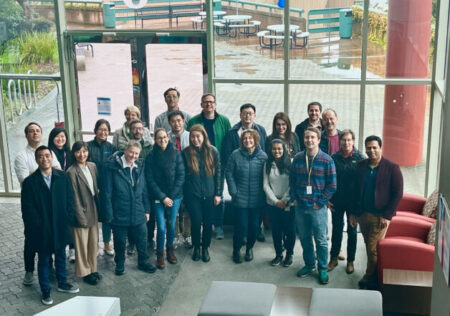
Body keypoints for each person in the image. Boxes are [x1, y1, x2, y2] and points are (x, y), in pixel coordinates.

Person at [21, 146, 79, 305]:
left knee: (61, 256)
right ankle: (45, 290)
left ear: (52, 158)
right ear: (36, 160)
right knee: (44, 260)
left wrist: (67, 218)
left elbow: (70, 199)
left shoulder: (63, 177)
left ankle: (62, 283)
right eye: (40, 156)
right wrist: (38, 226)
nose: (44, 159)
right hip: (42, 229)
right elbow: (27, 209)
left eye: (47, 155)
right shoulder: (29, 183)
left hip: (60, 225)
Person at [350, 135, 403, 290]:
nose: (371, 151)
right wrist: (353, 214)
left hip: (380, 216)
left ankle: (369, 279)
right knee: (369, 246)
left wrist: (387, 216)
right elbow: (355, 191)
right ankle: (376, 276)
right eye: (368, 148)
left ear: (380, 148)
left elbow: (397, 193)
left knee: (373, 249)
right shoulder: (361, 166)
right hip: (363, 214)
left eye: (374, 147)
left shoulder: (392, 168)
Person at [14, 122, 60, 286]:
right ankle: (28, 271)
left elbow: (58, 173)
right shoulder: (21, 156)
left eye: (38, 131)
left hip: (50, 204)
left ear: (41, 134)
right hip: (32, 204)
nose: (35, 134)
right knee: (32, 239)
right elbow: (25, 180)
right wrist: (44, 171)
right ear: (26, 135)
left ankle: (50, 267)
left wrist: (38, 172)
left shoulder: (49, 151)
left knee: (49, 237)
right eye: (31, 131)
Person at [102, 140, 157, 275]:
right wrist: (108, 214)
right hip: (119, 211)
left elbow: (144, 190)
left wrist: (147, 210)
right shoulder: (112, 167)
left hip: (138, 209)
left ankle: (143, 262)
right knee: (120, 241)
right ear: (125, 150)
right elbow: (106, 193)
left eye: (136, 153)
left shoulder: (139, 166)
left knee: (142, 238)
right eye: (131, 152)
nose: (133, 156)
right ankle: (120, 264)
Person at [290, 127, 336, 284]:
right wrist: (294, 198)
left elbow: (332, 186)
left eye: (312, 137)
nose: (309, 140)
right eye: (306, 137)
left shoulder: (327, 160)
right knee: (304, 238)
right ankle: (309, 264)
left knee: (321, 239)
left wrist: (320, 203)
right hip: (301, 207)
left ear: (318, 140)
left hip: (317, 208)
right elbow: (292, 181)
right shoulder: (297, 158)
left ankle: (323, 268)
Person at [187, 93, 231, 240]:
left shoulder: (224, 121)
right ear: (201, 104)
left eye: (211, 102)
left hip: (217, 162)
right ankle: (202, 228)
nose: (208, 105)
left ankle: (217, 225)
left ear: (215, 104)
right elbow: (190, 138)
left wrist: (225, 161)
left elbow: (228, 141)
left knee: (218, 197)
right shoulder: (194, 121)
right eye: (205, 102)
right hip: (196, 161)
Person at [222, 103, 267, 241]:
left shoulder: (261, 130)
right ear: (240, 115)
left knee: (255, 214)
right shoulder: (232, 133)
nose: (247, 116)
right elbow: (226, 156)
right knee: (241, 219)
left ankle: (256, 231)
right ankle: (240, 238)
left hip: (255, 180)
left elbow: (263, 153)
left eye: (250, 113)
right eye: (244, 113)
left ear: (254, 115)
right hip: (239, 180)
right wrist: (232, 188)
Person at [145, 129, 185, 269]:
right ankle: (160, 254)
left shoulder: (176, 154)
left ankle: (170, 250)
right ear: (155, 140)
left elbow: (181, 176)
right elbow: (149, 179)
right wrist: (163, 198)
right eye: (159, 138)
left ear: (168, 138)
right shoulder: (150, 157)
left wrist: (171, 197)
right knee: (161, 227)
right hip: (158, 197)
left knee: (171, 225)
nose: (162, 140)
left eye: (164, 137)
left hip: (175, 197)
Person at [226, 129, 267, 264]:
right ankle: (236, 249)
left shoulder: (263, 156)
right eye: (245, 139)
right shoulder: (235, 155)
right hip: (240, 198)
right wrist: (233, 191)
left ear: (256, 140)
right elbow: (229, 173)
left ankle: (249, 248)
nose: (247, 141)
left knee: (254, 227)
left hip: (257, 200)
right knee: (241, 226)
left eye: (250, 138)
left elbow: (267, 177)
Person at [182, 125, 222, 262]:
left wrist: (218, 194)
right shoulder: (186, 152)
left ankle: (205, 247)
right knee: (196, 221)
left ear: (204, 136)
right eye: (192, 137)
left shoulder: (213, 151)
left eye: (198, 136)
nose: (195, 139)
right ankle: (196, 247)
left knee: (208, 222)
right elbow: (183, 175)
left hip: (210, 194)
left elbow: (218, 174)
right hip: (193, 195)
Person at [327, 130, 365, 274]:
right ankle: (334, 258)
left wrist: (359, 206)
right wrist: (328, 198)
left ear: (353, 141)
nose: (346, 143)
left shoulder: (360, 158)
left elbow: (363, 183)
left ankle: (350, 261)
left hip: (353, 203)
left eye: (349, 140)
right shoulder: (334, 158)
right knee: (336, 229)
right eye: (343, 140)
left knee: (352, 231)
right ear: (340, 141)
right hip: (337, 200)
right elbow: (328, 179)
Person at [67, 141, 101, 286]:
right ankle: (85, 272)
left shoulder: (92, 166)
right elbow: (73, 197)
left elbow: (96, 187)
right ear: (74, 154)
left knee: (93, 243)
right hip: (80, 211)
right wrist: (80, 217)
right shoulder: (71, 172)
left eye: (85, 151)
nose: (82, 154)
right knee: (81, 245)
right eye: (78, 152)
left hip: (93, 209)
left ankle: (93, 269)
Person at [263, 139, 295, 267]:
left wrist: (284, 200)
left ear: (284, 150)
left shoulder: (290, 163)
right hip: (273, 203)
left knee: (290, 230)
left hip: (288, 203)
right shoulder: (267, 164)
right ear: (271, 150)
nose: (277, 151)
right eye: (274, 149)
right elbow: (265, 184)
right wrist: (276, 201)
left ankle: (289, 254)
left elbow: (293, 184)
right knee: (276, 230)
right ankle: (278, 254)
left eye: (279, 149)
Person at [87, 119, 116, 256]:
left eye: (106, 130)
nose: (103, 132)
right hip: (90, 187)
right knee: (92, 216)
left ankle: (106, 244)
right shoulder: (87, 147)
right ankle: (95, 244)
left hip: (106, 188)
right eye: (101, 129)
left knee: (106, 217)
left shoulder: (111, 148)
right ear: (95, 130)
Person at [48, 126, 76, 262]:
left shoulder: (70, 153)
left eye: (63, 137)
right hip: (55, 192)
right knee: (57, 221)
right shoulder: (48, 154)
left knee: (70, 219)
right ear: (52, 138)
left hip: (69, 190)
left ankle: (72, 249)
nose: (60, 139)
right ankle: (56, 251)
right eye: (57, 136)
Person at [168, 111, 191, 249]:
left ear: (183, 121)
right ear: (170, 123)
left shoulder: (190, 136)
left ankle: (187, 234)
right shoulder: (166, 137)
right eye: (173, 121)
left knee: (187, 207)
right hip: (172, 178)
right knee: (174, 209)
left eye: (179, 120)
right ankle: (175, 235)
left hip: (188, 176)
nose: (176, 124)